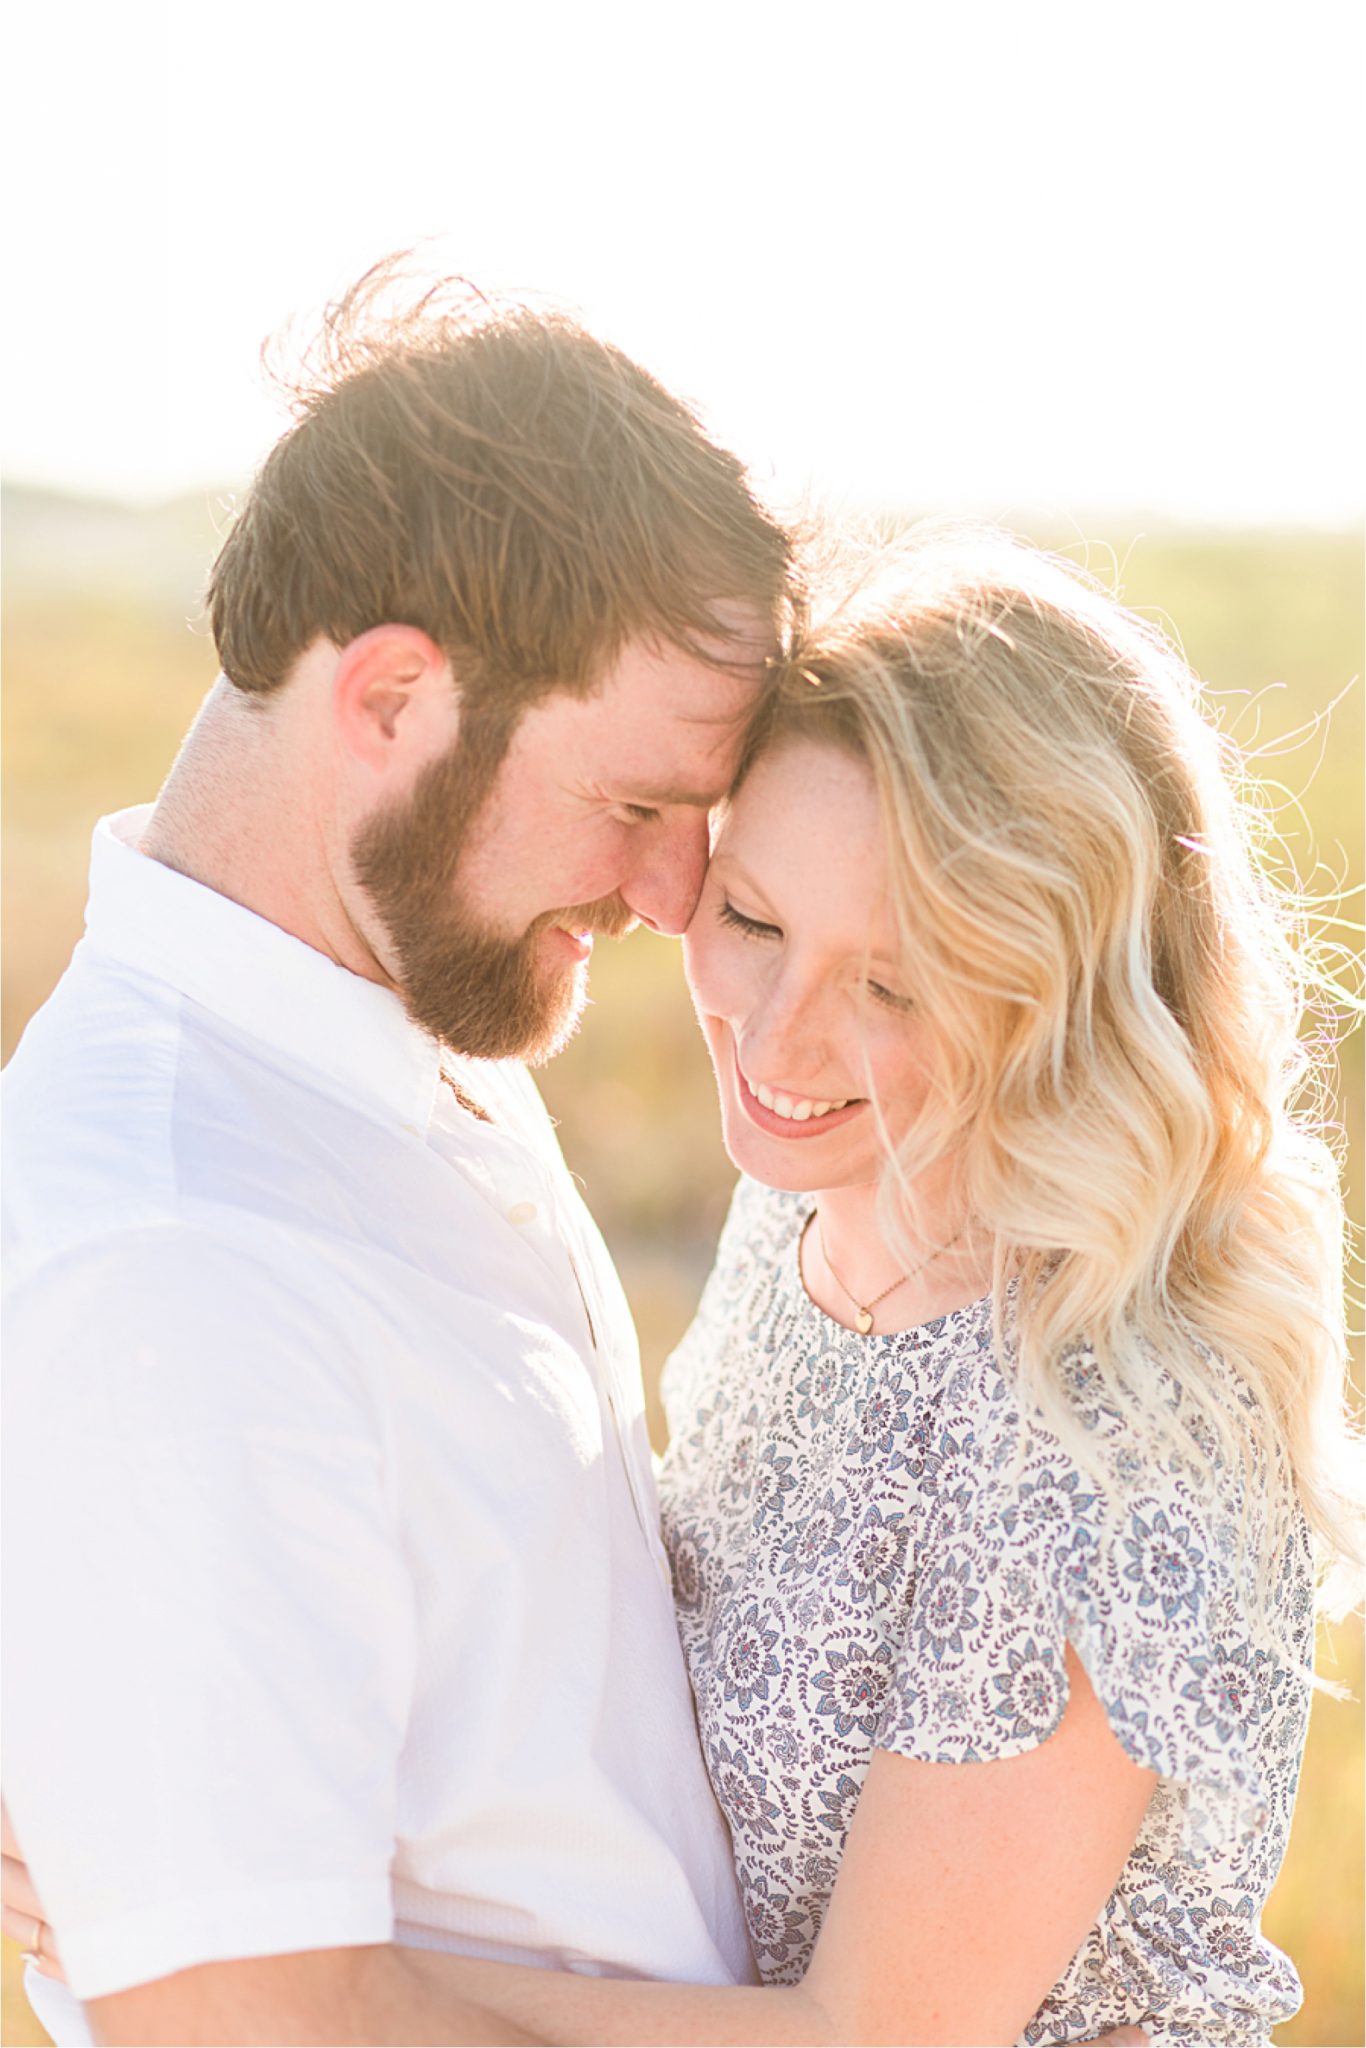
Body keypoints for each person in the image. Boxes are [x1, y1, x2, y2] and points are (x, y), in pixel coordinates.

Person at [1, 258, 795, 2045]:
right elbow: (245, 2022)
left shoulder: (399, 1034)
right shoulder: (182, 1243)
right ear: (387, 697)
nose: (676, 898)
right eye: (637, 808)